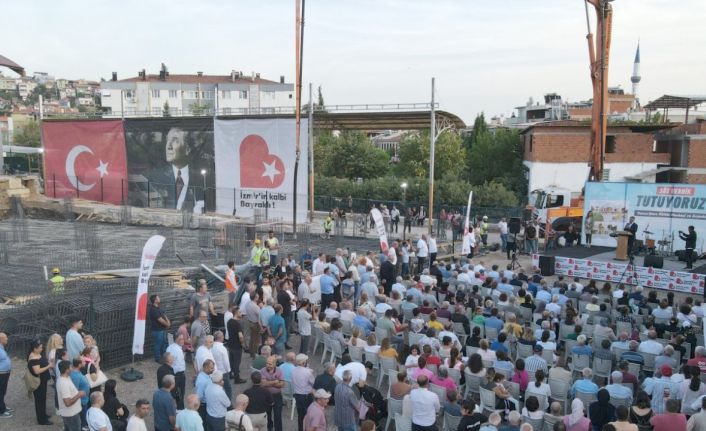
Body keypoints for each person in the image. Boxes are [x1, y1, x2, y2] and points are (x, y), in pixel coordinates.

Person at [146, 126, 204, 212]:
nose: (168, 146)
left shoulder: (200, 179)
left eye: (175, 140)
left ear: (187, 149)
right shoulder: (155, 177)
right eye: (167, 140)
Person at [27, 338, 52, 425]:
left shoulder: (37, 354)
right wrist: (49, 366)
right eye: (40, 347)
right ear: (35, 348)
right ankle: (41, 420)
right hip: (38, 382)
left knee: (43, 398)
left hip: (42, 381)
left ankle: (43, 415)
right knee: (39, 400)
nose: (42, 349)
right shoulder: (33, 358)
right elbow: (37, 371)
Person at [57, 360, 85, 431]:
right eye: (70, 367)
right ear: (67, 370)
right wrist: (79, 395)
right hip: (71, 415)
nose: (72, 368)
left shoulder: (66, 377)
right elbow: (67, 403)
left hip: (71, 414)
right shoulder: (63, 383)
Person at [260, 356, 285, 431]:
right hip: (266, 396)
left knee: (277, 415)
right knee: (267, 414)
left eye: (270, 364)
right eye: (267, 363)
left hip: (277, 396)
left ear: (275, 364)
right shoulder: (262, 370)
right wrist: (275, 382)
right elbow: (263, 384)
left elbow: (282, 384)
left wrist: (268, 383)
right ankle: (269, 427)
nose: (268, 365)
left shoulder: (279, 370)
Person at [166, 333, 188, 409]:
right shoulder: (178, 350)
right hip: (178, 375)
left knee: (173, 393)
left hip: (171, 373)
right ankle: (180, 409)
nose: (183, 341)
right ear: (176, 339)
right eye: (181, 339)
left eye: (183, 339)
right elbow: (177, 365)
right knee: (180, 394)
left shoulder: (169, 347)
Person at [149, 294, 171, 363]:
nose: (159, 298)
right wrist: (167, 324)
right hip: (157, 330)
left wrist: (168, 322)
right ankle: (158, 358)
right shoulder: (153, 309)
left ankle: (163, 357)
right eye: (158, 298)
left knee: (164, 343)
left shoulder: (158, 308)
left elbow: (164, 315)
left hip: (162, 329)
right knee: (158, 344)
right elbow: (160, 320)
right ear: (155, 300)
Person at [0, 332, 11, 419]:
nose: (7, 339)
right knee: (0, 392)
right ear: (1, 339)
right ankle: (1, 412)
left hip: (5, 373)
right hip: (1, 374)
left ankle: (2, 406)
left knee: (3, 391)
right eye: (5, 337)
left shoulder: (2, 346)